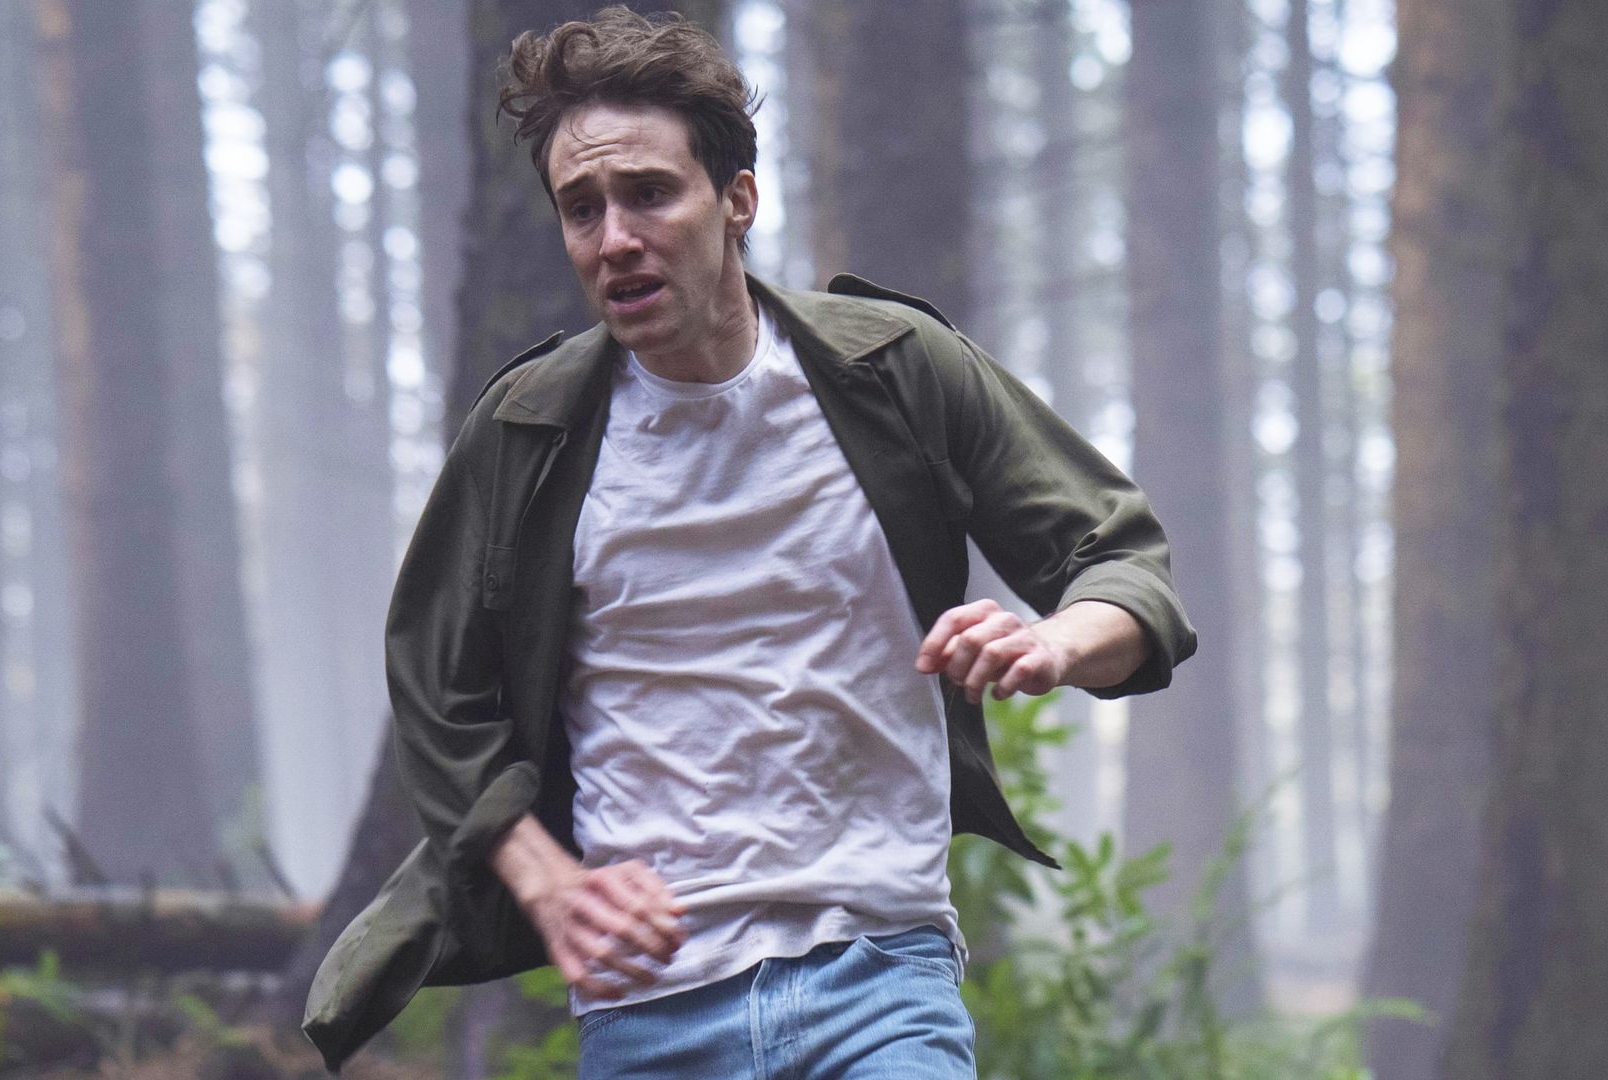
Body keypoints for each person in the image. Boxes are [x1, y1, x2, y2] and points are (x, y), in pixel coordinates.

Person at [304, 7, 1195, 1076]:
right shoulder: (529, 430)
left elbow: (1124, 565)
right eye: (581, 208)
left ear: (738, 200)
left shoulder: (893, 372)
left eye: (648, 193)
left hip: (879, 975)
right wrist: (546, 880)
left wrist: (1053, 644)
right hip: (649, 1011)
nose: (614, 238)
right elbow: (436, 686)